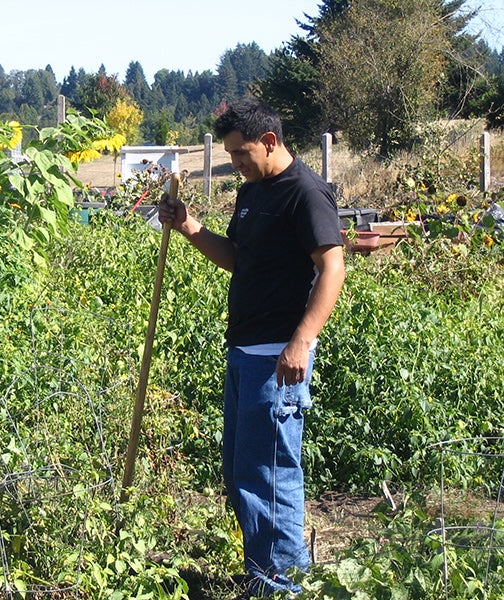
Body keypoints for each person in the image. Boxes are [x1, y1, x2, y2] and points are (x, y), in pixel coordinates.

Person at [158, 98, 345, 597]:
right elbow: (238, 259)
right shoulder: (251, 194)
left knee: (272, 474)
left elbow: (332, 269)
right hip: (244, 351)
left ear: (269, 141)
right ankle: (263, 575)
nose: (235, 163)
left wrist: (301, 342)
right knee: (243, 472)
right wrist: (189, 226)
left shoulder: (306, 193)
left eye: (240, 154)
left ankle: (284, 584)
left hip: (279, 357)